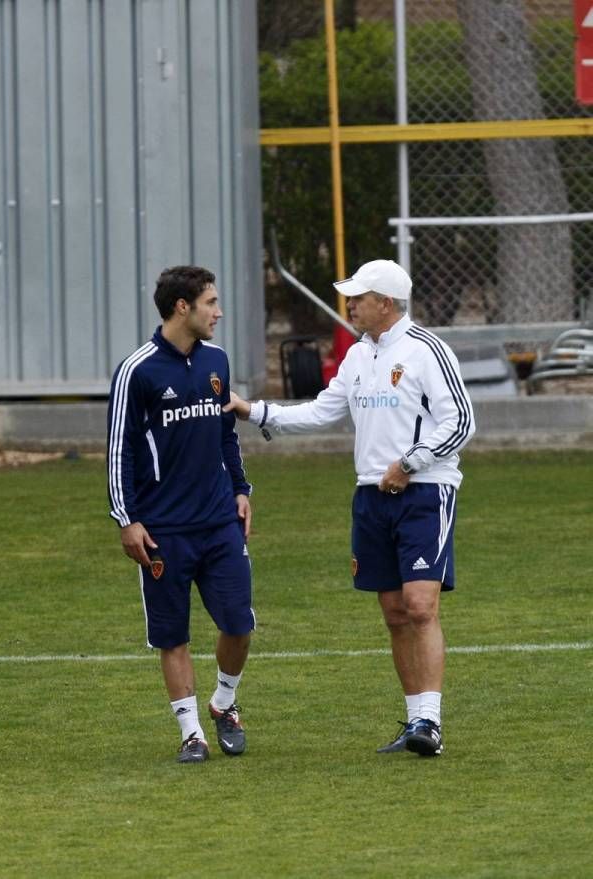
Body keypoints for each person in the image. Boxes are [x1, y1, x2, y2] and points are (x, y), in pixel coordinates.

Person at [226, 259, 475, 757]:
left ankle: (431, 722)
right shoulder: (359, 356)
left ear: (385, 302)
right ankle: (413, 721)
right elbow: (323, 409)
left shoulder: (428, 350)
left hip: (425, 492)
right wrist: (253, 411)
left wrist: (410, 463)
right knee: (394, 612)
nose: (351, 305)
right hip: (369, 497)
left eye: (358, 297)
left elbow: (462, 420)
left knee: (421, 606)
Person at [107, 265, 254, 764]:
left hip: (218, 522)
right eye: (211, 302)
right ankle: (191, 732)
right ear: (182, 308)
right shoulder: (138, 370)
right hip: (163, 529)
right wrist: (126, 518)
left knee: (239, 623)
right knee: (173, 634)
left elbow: (225, 433)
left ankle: (224, 703)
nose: (219, 311)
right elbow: (119, 451)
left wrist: (240, 489)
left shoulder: (217, 361)